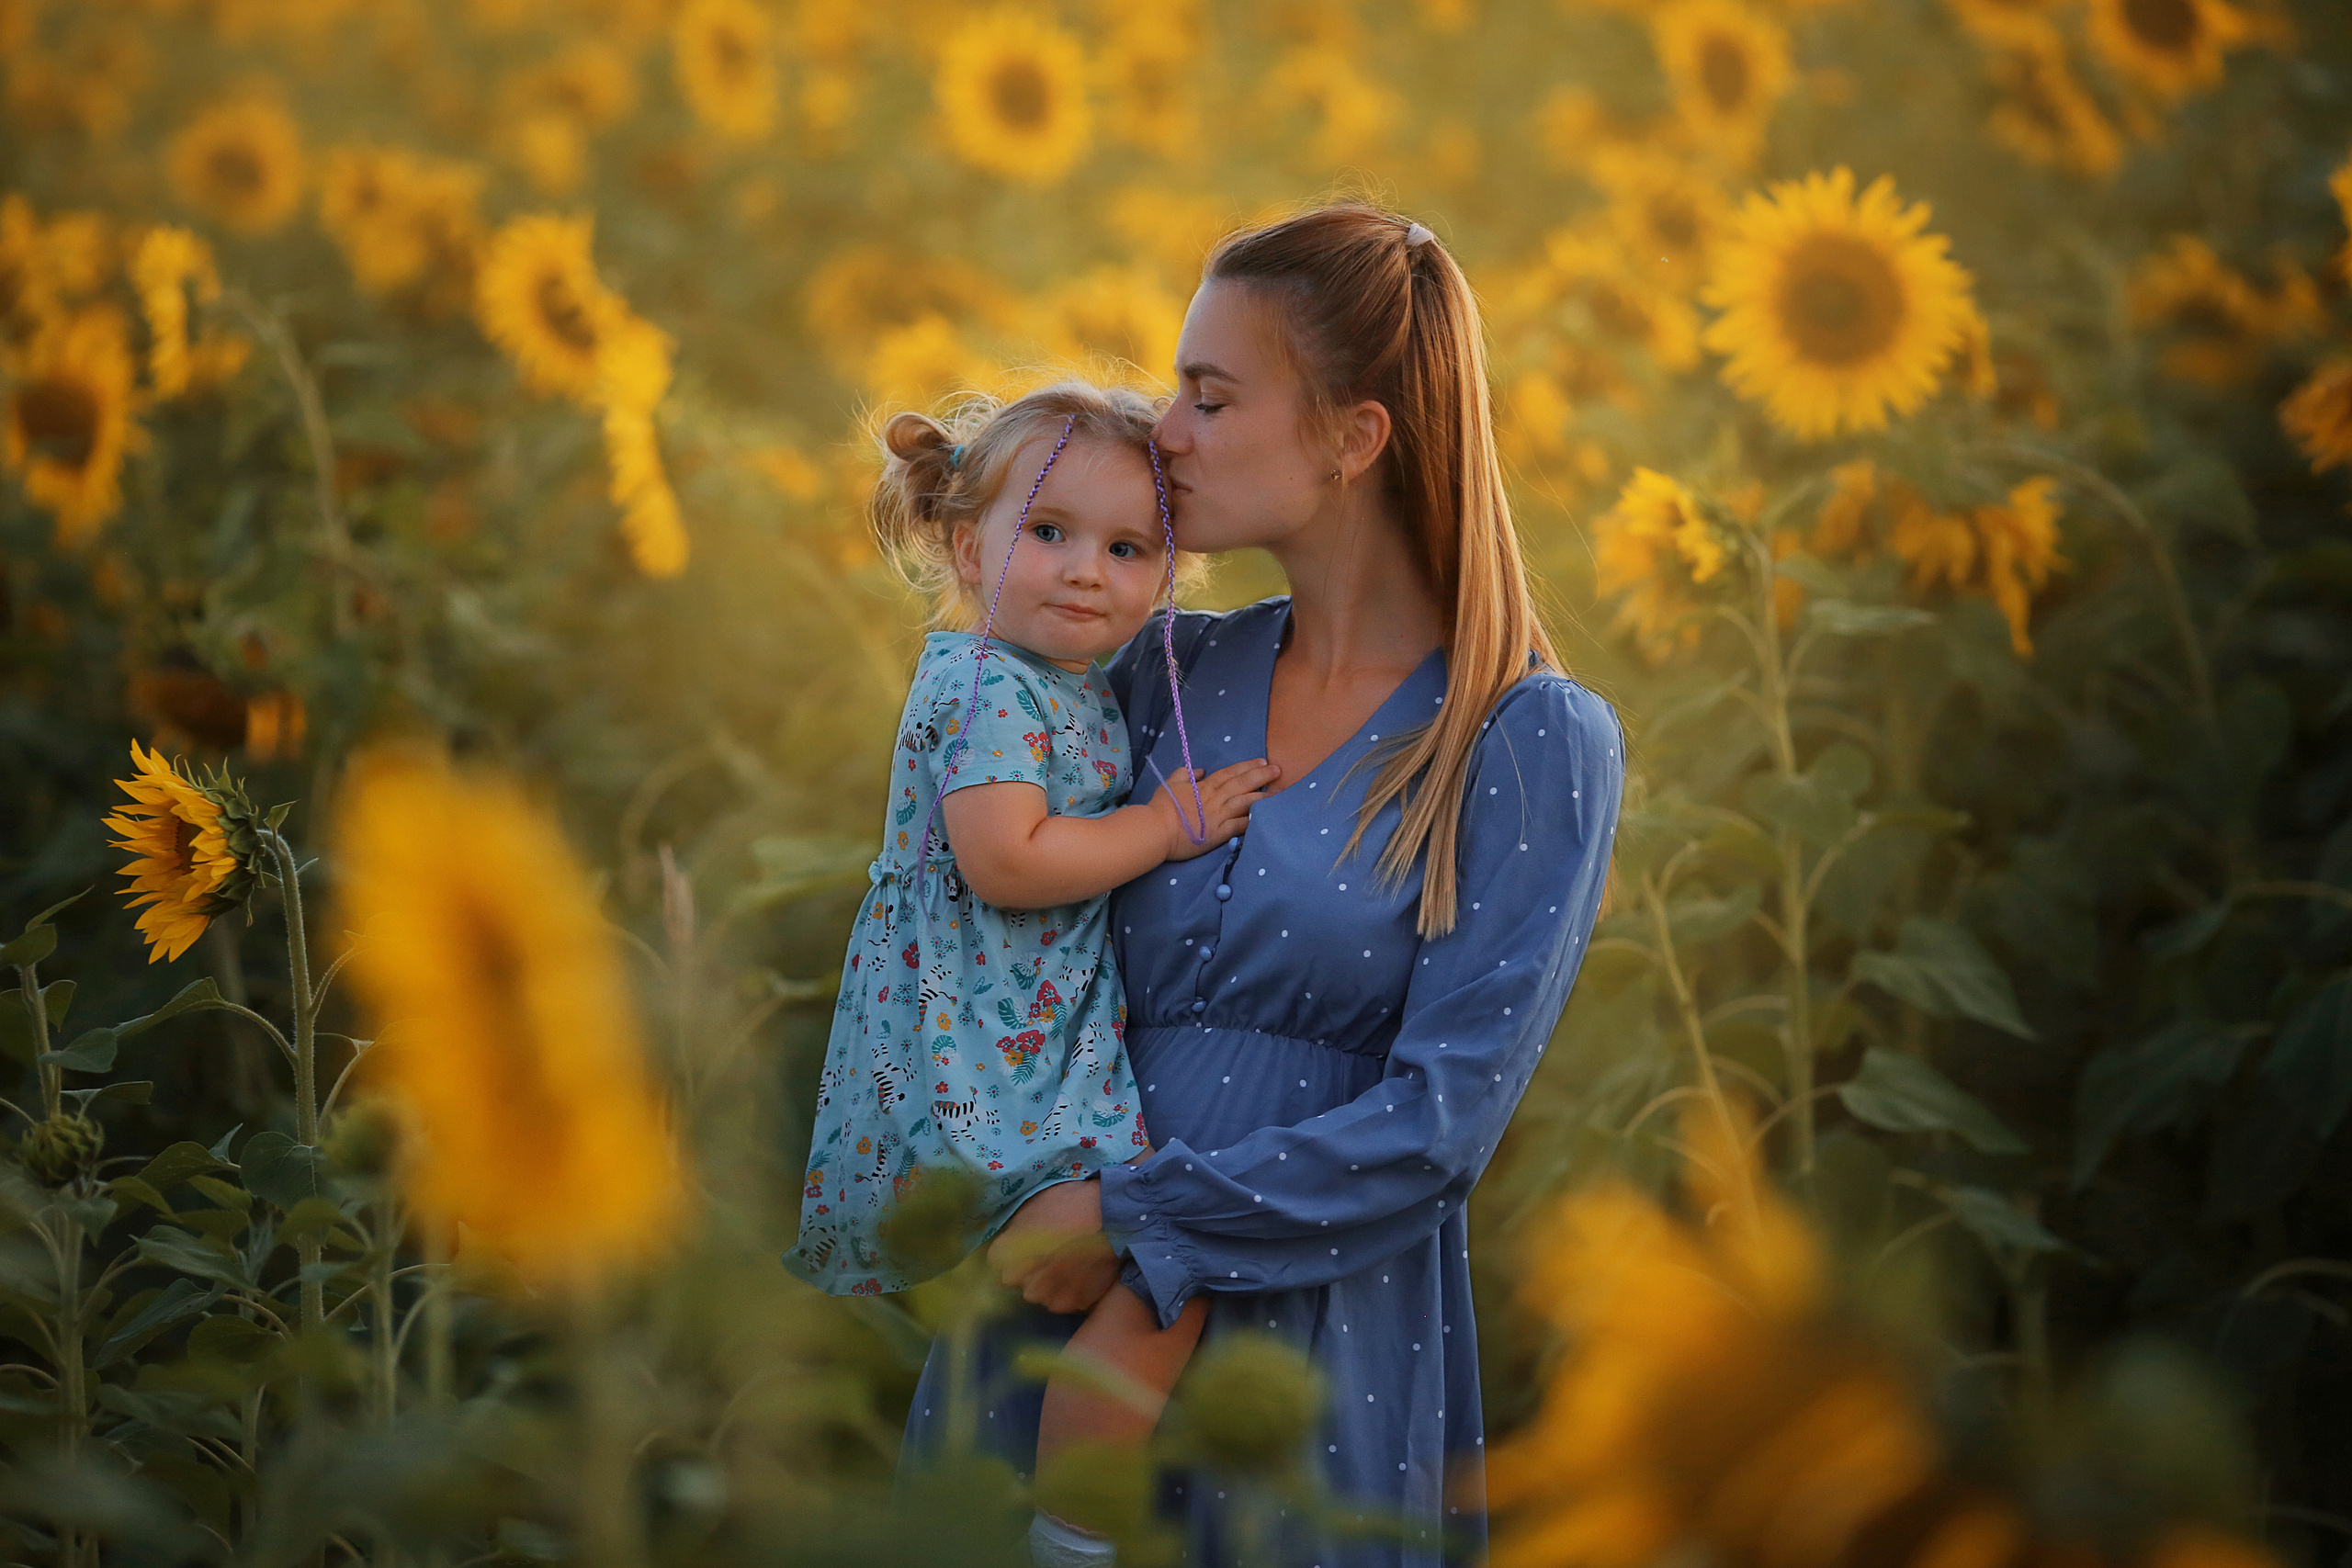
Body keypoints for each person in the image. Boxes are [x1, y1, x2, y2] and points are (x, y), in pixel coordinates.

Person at [899, 206, 1627, 1568]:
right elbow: (976, 905)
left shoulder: (1524, 739)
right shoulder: (1159, 663)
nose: (1163, 428)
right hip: (1048, 1298)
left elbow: (1438, 1125)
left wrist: (1136, 1218)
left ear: (1354, 440)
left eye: (1210, 394)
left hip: (1305, 1343)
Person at [786, 381, 1282, 1549]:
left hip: (1014, 1046)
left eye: (1126, 548)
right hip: (981, 1066)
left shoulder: (1063, 684)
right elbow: (1007, 859)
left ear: (1166, 578)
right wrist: (1166, 828)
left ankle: (1050, 1503)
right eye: (1048, 532)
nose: (1083, 570)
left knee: (1135, 1278)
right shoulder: (979, 684)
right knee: (1161, 1272)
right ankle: (1071, 1538)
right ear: (968, 545)